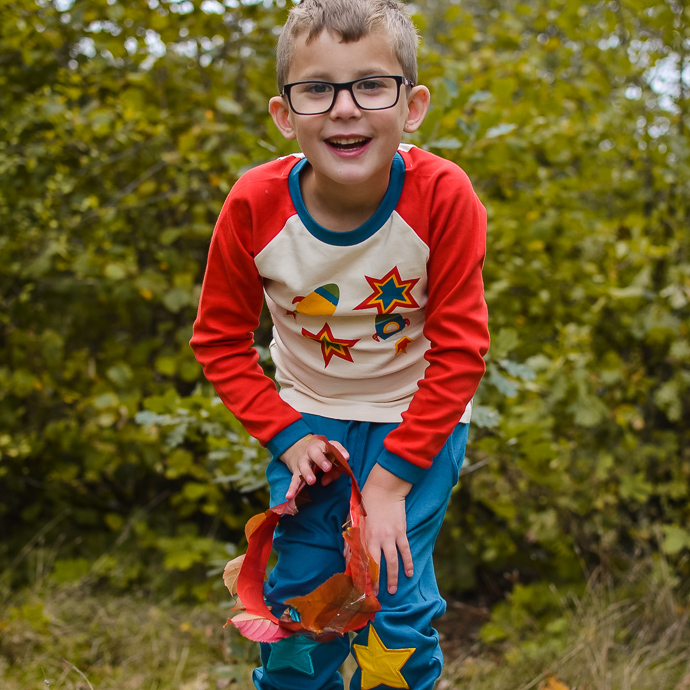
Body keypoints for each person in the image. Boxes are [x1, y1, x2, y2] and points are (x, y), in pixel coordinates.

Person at [190, 0, 489, 687]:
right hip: (308, 424)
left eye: (371, 85)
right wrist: (285, 434)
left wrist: (390, 483)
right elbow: (219, 341)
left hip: (418, 420)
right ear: (284, 114)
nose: (345, 108)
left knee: (392, 601)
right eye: (318, 88)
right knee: (302, 598)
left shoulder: (443, 194)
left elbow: (462, 352)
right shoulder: (254, 204)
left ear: (411, 106)